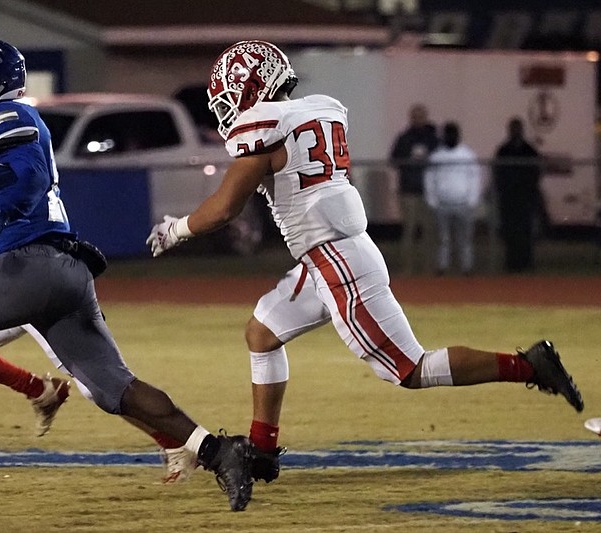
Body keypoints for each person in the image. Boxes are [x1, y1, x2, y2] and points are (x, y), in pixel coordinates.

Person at [147, 39, 584, 485]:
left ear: (251, 87)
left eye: (229, 98)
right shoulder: (316, 110)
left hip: (336, 261)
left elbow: (224, 208)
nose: (227, 112)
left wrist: (177, 228)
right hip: (327, 255)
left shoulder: (266, 126)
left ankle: (531, 365)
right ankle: (261, 450)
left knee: (412, 369)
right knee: (262, 332)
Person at [0, 38, 250, 512]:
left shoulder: (1, 117)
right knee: (115, 389)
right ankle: (219, 452)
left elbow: (26, 180)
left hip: (29, 267)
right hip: (64, 273)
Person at [0, 232, 197, 482]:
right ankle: (41, 391)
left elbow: (11, 254)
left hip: (47, 299)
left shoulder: (6, 186)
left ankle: (176, 442)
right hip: (14, 296)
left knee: (98, 386)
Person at [423, 121, 483, 276]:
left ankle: (466, 268)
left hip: (464, 203)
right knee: (443, 239)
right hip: (442, 203)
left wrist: (472, 200)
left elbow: (475, 177)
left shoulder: (467, 155)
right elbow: (430, 179)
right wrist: (432, 200)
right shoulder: (437, 156)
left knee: (465, 239)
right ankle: (442, 267)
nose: (450, 137)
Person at [390, 103, 439, 275]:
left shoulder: (433, 138)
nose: (418, 119)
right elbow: (394, 159)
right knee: (409, 231)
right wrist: (409, 159)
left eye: (421, 116)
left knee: (429, 230)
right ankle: (407, 268)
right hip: (408, 190)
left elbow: (439, 158)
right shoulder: (404, 138)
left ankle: (428, 268)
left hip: (428, 191)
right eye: (415, 116)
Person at [492, 117, 542, 273]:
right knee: (510, 231)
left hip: (525, 197)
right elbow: (497, 173)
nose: (515, 131)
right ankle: (512, 262)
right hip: (508, 198)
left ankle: (527, 262)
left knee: (526, 230)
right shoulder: (503, 150)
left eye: (518, 128)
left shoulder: (530, 151)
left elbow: (536, 172)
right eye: (513, 128)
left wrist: (528, 188)